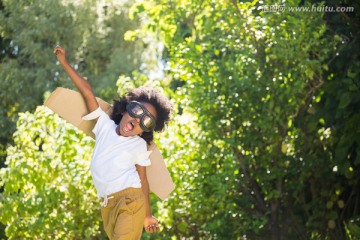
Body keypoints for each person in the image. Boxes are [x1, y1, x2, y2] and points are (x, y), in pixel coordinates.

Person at [53, 45, 172, 240]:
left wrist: (147, 215)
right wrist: (65, 63)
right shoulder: (103, 125)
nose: (137, 120)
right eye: (137, 111)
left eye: (146, 121)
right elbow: (87, 91)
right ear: (125, 110)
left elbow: (143, 180)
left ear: (145, 130)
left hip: (130, 202)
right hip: (107, 206)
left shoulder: (138, 145)